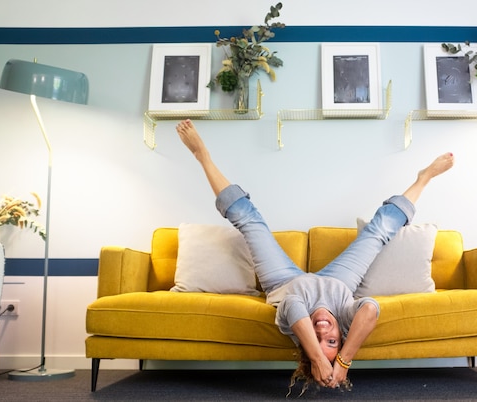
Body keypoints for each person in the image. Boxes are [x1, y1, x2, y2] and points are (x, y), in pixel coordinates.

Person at [176, 119, 454, 394]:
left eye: (316, 337)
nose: (322, 329)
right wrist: (343, 361)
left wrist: (320, 358)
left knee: (249, 219)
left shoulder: (292, 325)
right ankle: (424, 177)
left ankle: (203, 156)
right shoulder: (345, 318)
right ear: (341, 338)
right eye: (331, 341)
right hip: (339, 283)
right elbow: (370, 308)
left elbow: (295, 303)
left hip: (282, 281)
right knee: (379, 229)